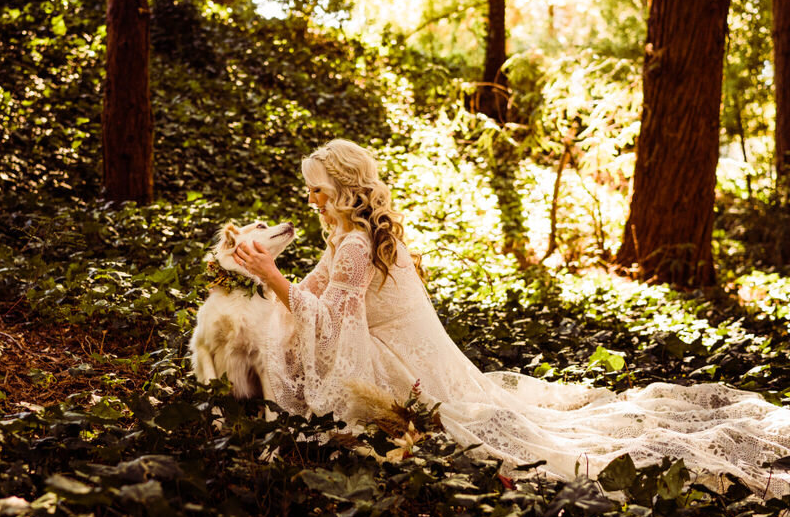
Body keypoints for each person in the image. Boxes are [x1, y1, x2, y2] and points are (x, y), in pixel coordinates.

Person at [232, 138, 790, 494]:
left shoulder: (355, 244)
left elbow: (330, 326)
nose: (311, 200)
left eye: (318, 190)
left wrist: (272, 280)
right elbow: (307, 294)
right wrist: (265, 272)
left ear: (346, 190)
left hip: (403, 363)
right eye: (308, 191)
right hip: (419, 353)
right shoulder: (348, 238)